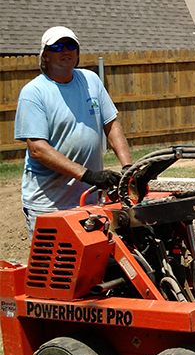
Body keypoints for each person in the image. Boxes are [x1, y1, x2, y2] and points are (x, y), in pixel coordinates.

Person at [15, 26, 133, 238]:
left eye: (71, 45)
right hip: (49, 204)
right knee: (57, 268)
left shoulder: (91, 81)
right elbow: (38, 149)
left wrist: (128, 168)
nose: (65, 51)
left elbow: (111, 126)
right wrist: (88, 175)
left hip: (89, 200)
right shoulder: (34, 93)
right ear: (45, 55)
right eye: (57, 46)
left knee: (94, 266)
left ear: (78, 53)